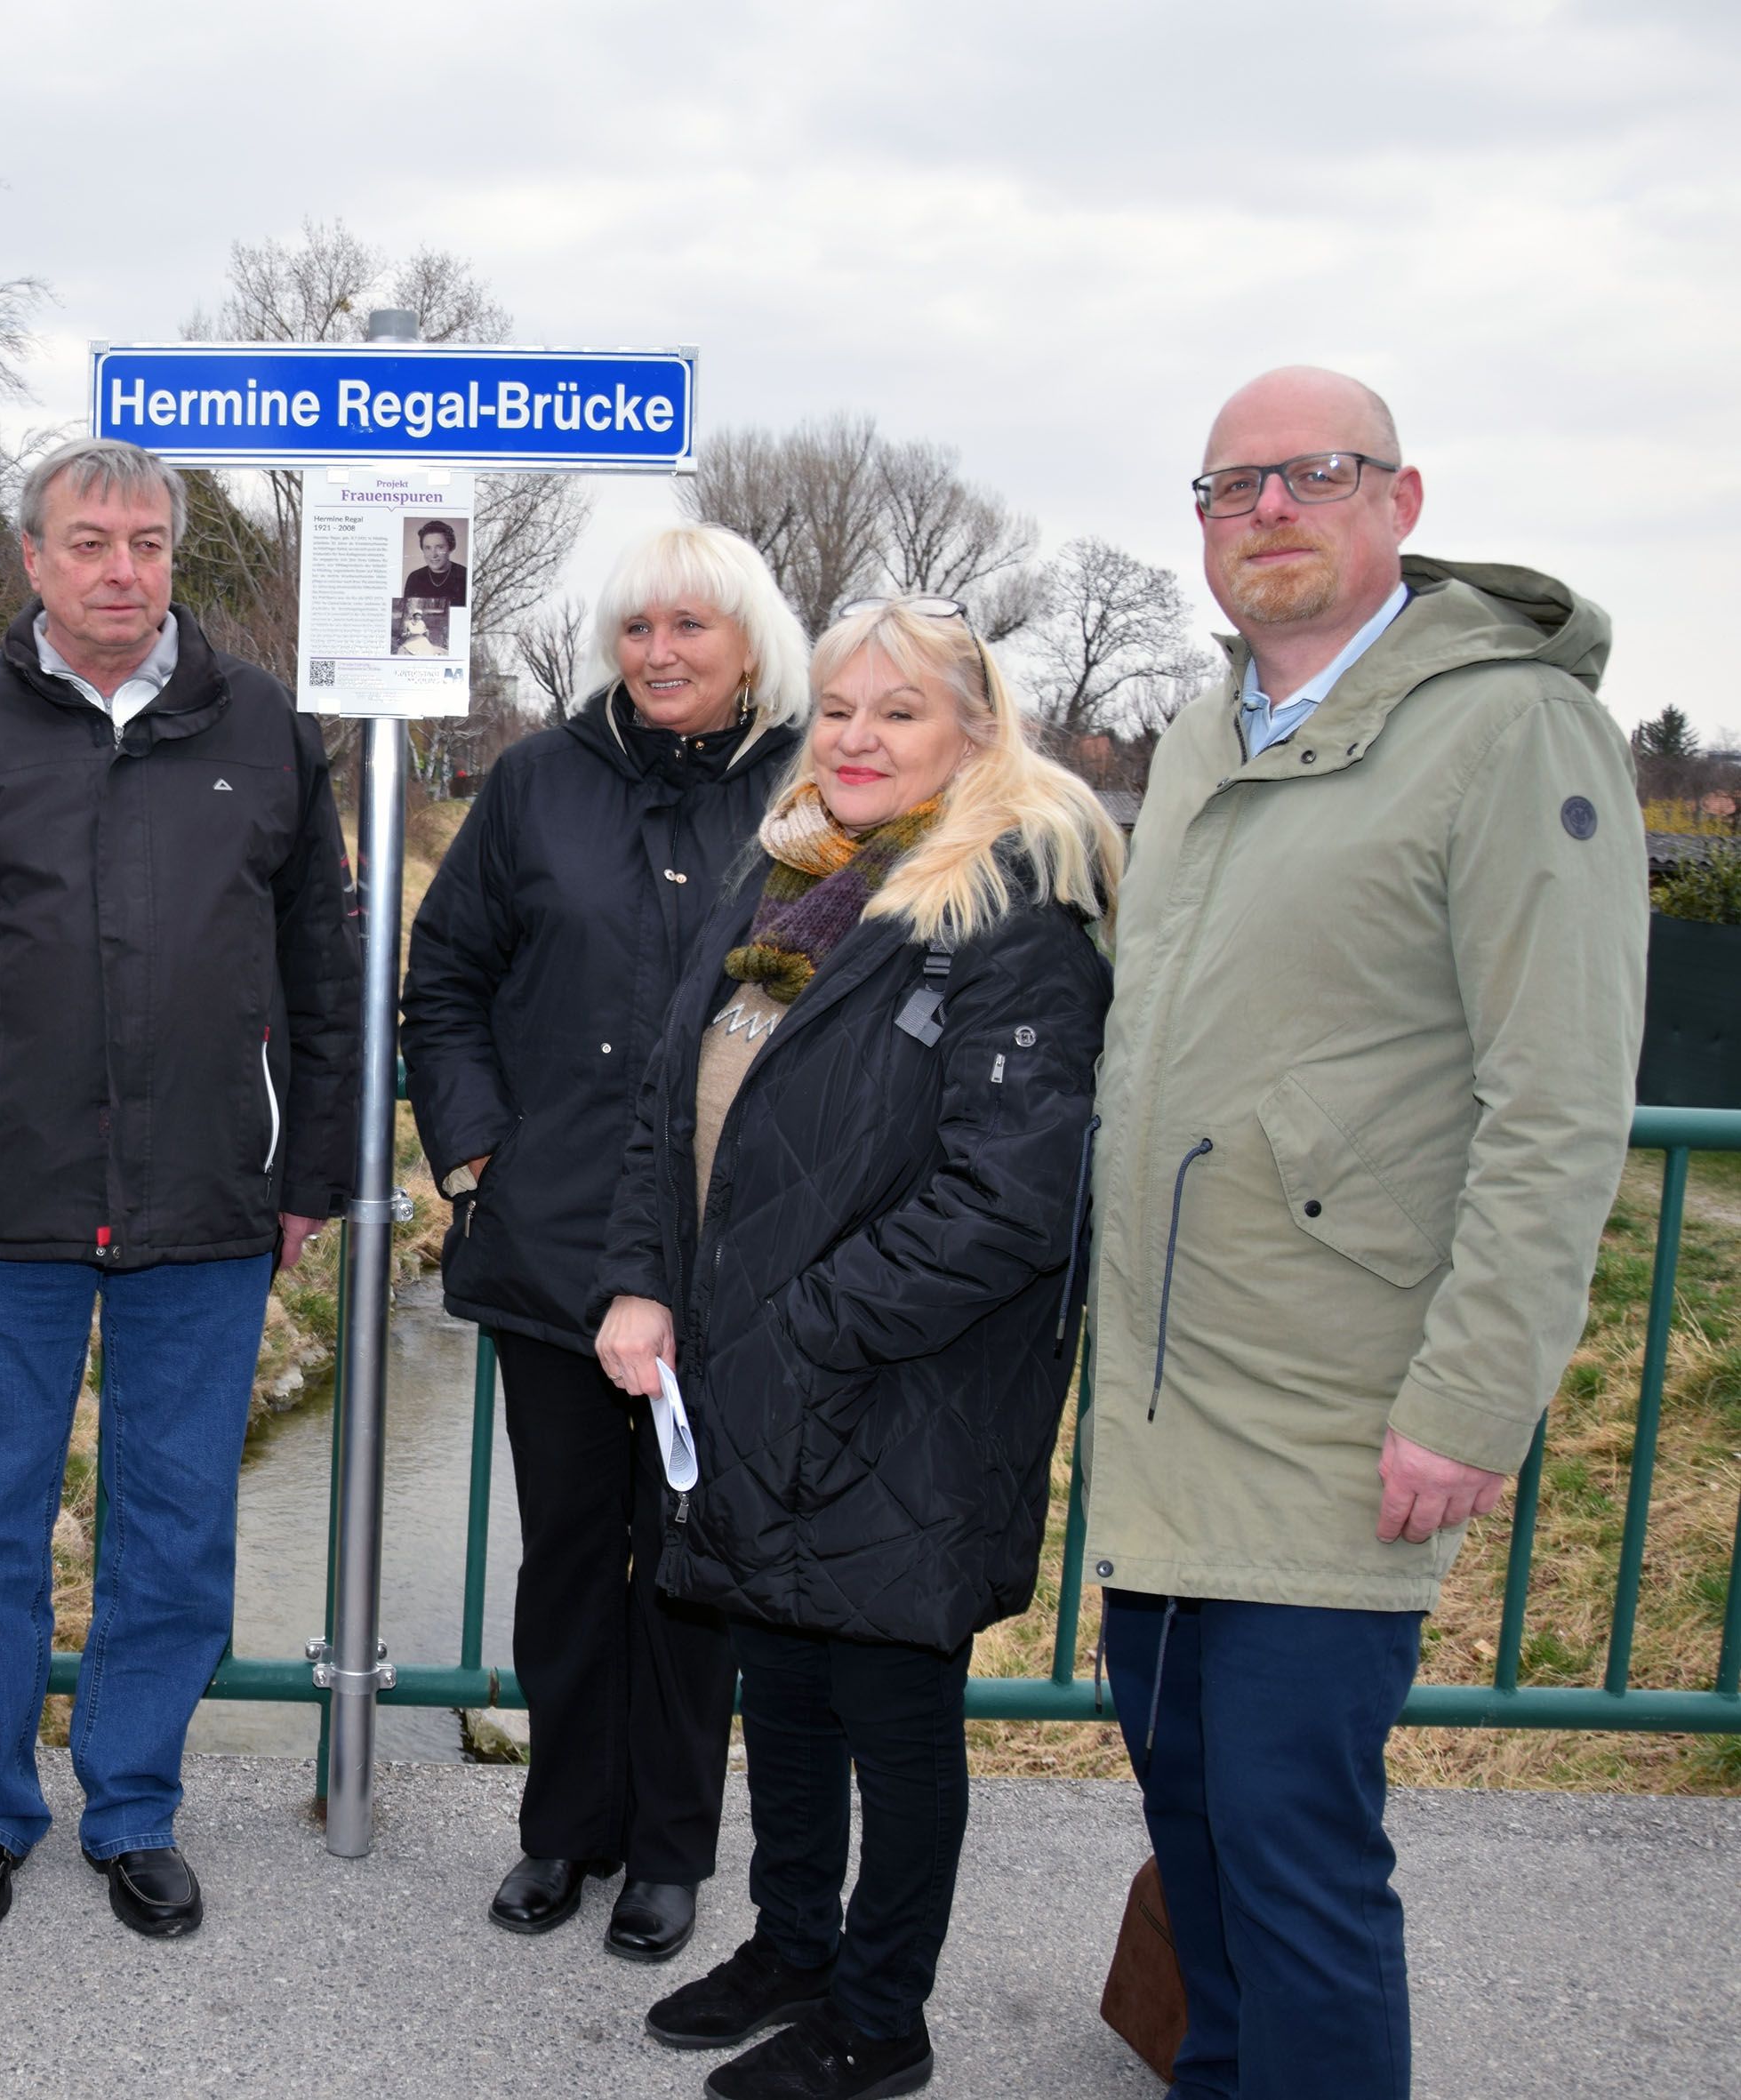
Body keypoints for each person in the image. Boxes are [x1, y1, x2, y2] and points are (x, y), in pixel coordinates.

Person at [1084, 367, 1646, 2099]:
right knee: (1196, 1824)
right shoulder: (1199, 736)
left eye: (1311, 474)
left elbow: (1555, 1097)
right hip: (1169, 1406)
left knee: (1294, 1856)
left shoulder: (1504, 731)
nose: (1265, 510)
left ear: (1397, 502)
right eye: (1227, 484)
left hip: (1338, 1411)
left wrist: (1472, 1396)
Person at [594, 597, 1119, 2100]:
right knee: (788, 1686)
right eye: (836, 710)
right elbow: (668, 1112)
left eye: (897, 712)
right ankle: (792, 1943)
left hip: (901, 1390)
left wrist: (802, 1331)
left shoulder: (1012, 915)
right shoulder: (788, 883)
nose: (856, 739)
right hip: (753, 1376)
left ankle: (879, 2015)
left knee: (891, 1716)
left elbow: (1004, 1198)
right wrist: (645, 1283)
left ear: (972, 732)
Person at [0, 437, 358, 1940]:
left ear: (172, 559)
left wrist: (311, 1166)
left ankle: (135, 1806)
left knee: (171, 1522)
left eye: (145, 543)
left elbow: (322, 969)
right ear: (29, 558)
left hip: (207, 1193)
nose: (119, 568)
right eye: (87, 541)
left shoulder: (262, 726)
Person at [403, 521, 808, 1961]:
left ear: (748, 642)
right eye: (638, 628)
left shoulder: (807, 795)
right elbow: (442, 978)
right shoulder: (535, 783)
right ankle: (563, 1829)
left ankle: (667, 1848)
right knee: (570, 1551)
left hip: (727, 1255)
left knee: (687, 1554)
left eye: (690, 628)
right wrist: (475, 1156)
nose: (659, 652)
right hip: (553, 1244)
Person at [405, 517, 469, 607]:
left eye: (440, 547)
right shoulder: (414, 578)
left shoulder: (465, 575)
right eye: (428, 548)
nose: (433, 554)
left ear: (451, 547)